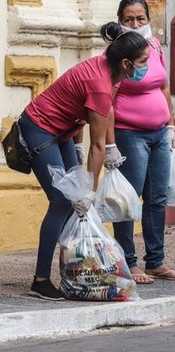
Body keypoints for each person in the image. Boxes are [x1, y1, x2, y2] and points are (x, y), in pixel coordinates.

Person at [18, 25, 149, 300]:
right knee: (63, 200)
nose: (145, 66)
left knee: (72, 201)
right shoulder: (101, 83)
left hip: (64, 129)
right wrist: (91, 191)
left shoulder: (110, 64)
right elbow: (97, 146)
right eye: (142, 62)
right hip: (40, 128)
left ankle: (72, 267)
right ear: (126, 64)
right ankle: (40, 280)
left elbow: (86, 108)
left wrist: (81, 146)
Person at [109, 0, 175, 284]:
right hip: (130, 135)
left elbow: (164, 87)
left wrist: (171, 125)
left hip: (159, 134)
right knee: (128, 199)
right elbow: (109, 100)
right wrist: (110, 142)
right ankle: (128, 261)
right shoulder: (115, 54)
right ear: (119, 21)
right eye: (129, 19)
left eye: (141, 19)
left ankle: (156, 260)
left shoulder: (154, 47)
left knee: (157, 197)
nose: (136, 24)